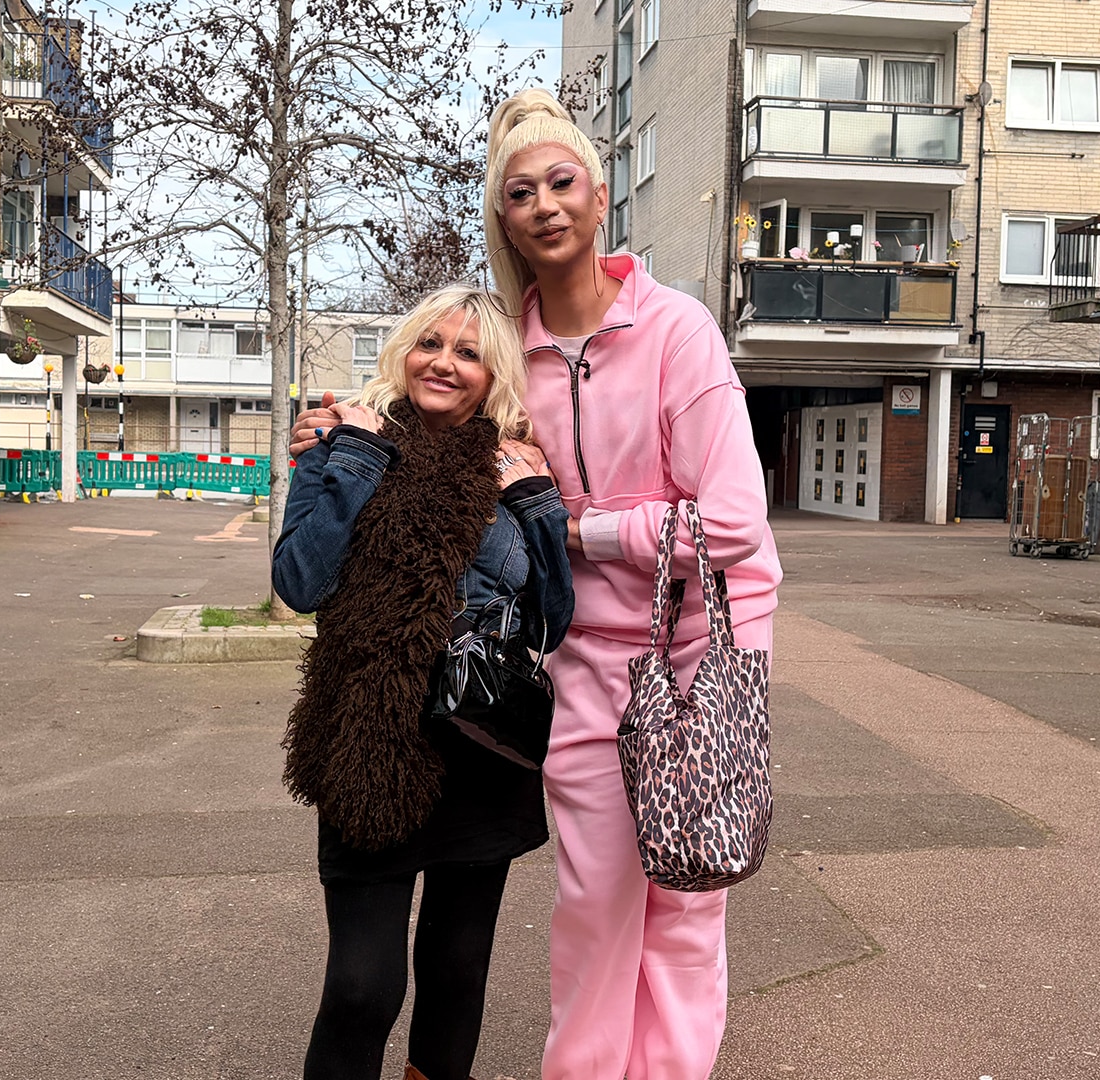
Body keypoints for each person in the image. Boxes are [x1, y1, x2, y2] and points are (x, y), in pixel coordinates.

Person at [294, 91, 782, 1079]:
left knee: (685, 909)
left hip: (700, 656)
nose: (547, 205)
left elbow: (733, 524)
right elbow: (434, 412)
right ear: (503, 216)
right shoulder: (508, 343)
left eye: (564, 183)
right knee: (596, 910)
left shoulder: (676, 331)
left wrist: (585, 527)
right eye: (523, 192)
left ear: (599, 198)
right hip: (575, 663)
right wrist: (340, 434)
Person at [273, 282, 575, 1080]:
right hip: (371, 743)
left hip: (483, 751)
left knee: (456, 977)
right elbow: (300, 580)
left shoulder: (513, 465)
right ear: (403, 350)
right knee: (363, 989)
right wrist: (361, 457)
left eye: (469, 353)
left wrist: (537, 502)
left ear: (493, 374)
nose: (444, 363)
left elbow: (551, 622)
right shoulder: (341, 445)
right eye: (430, 344)